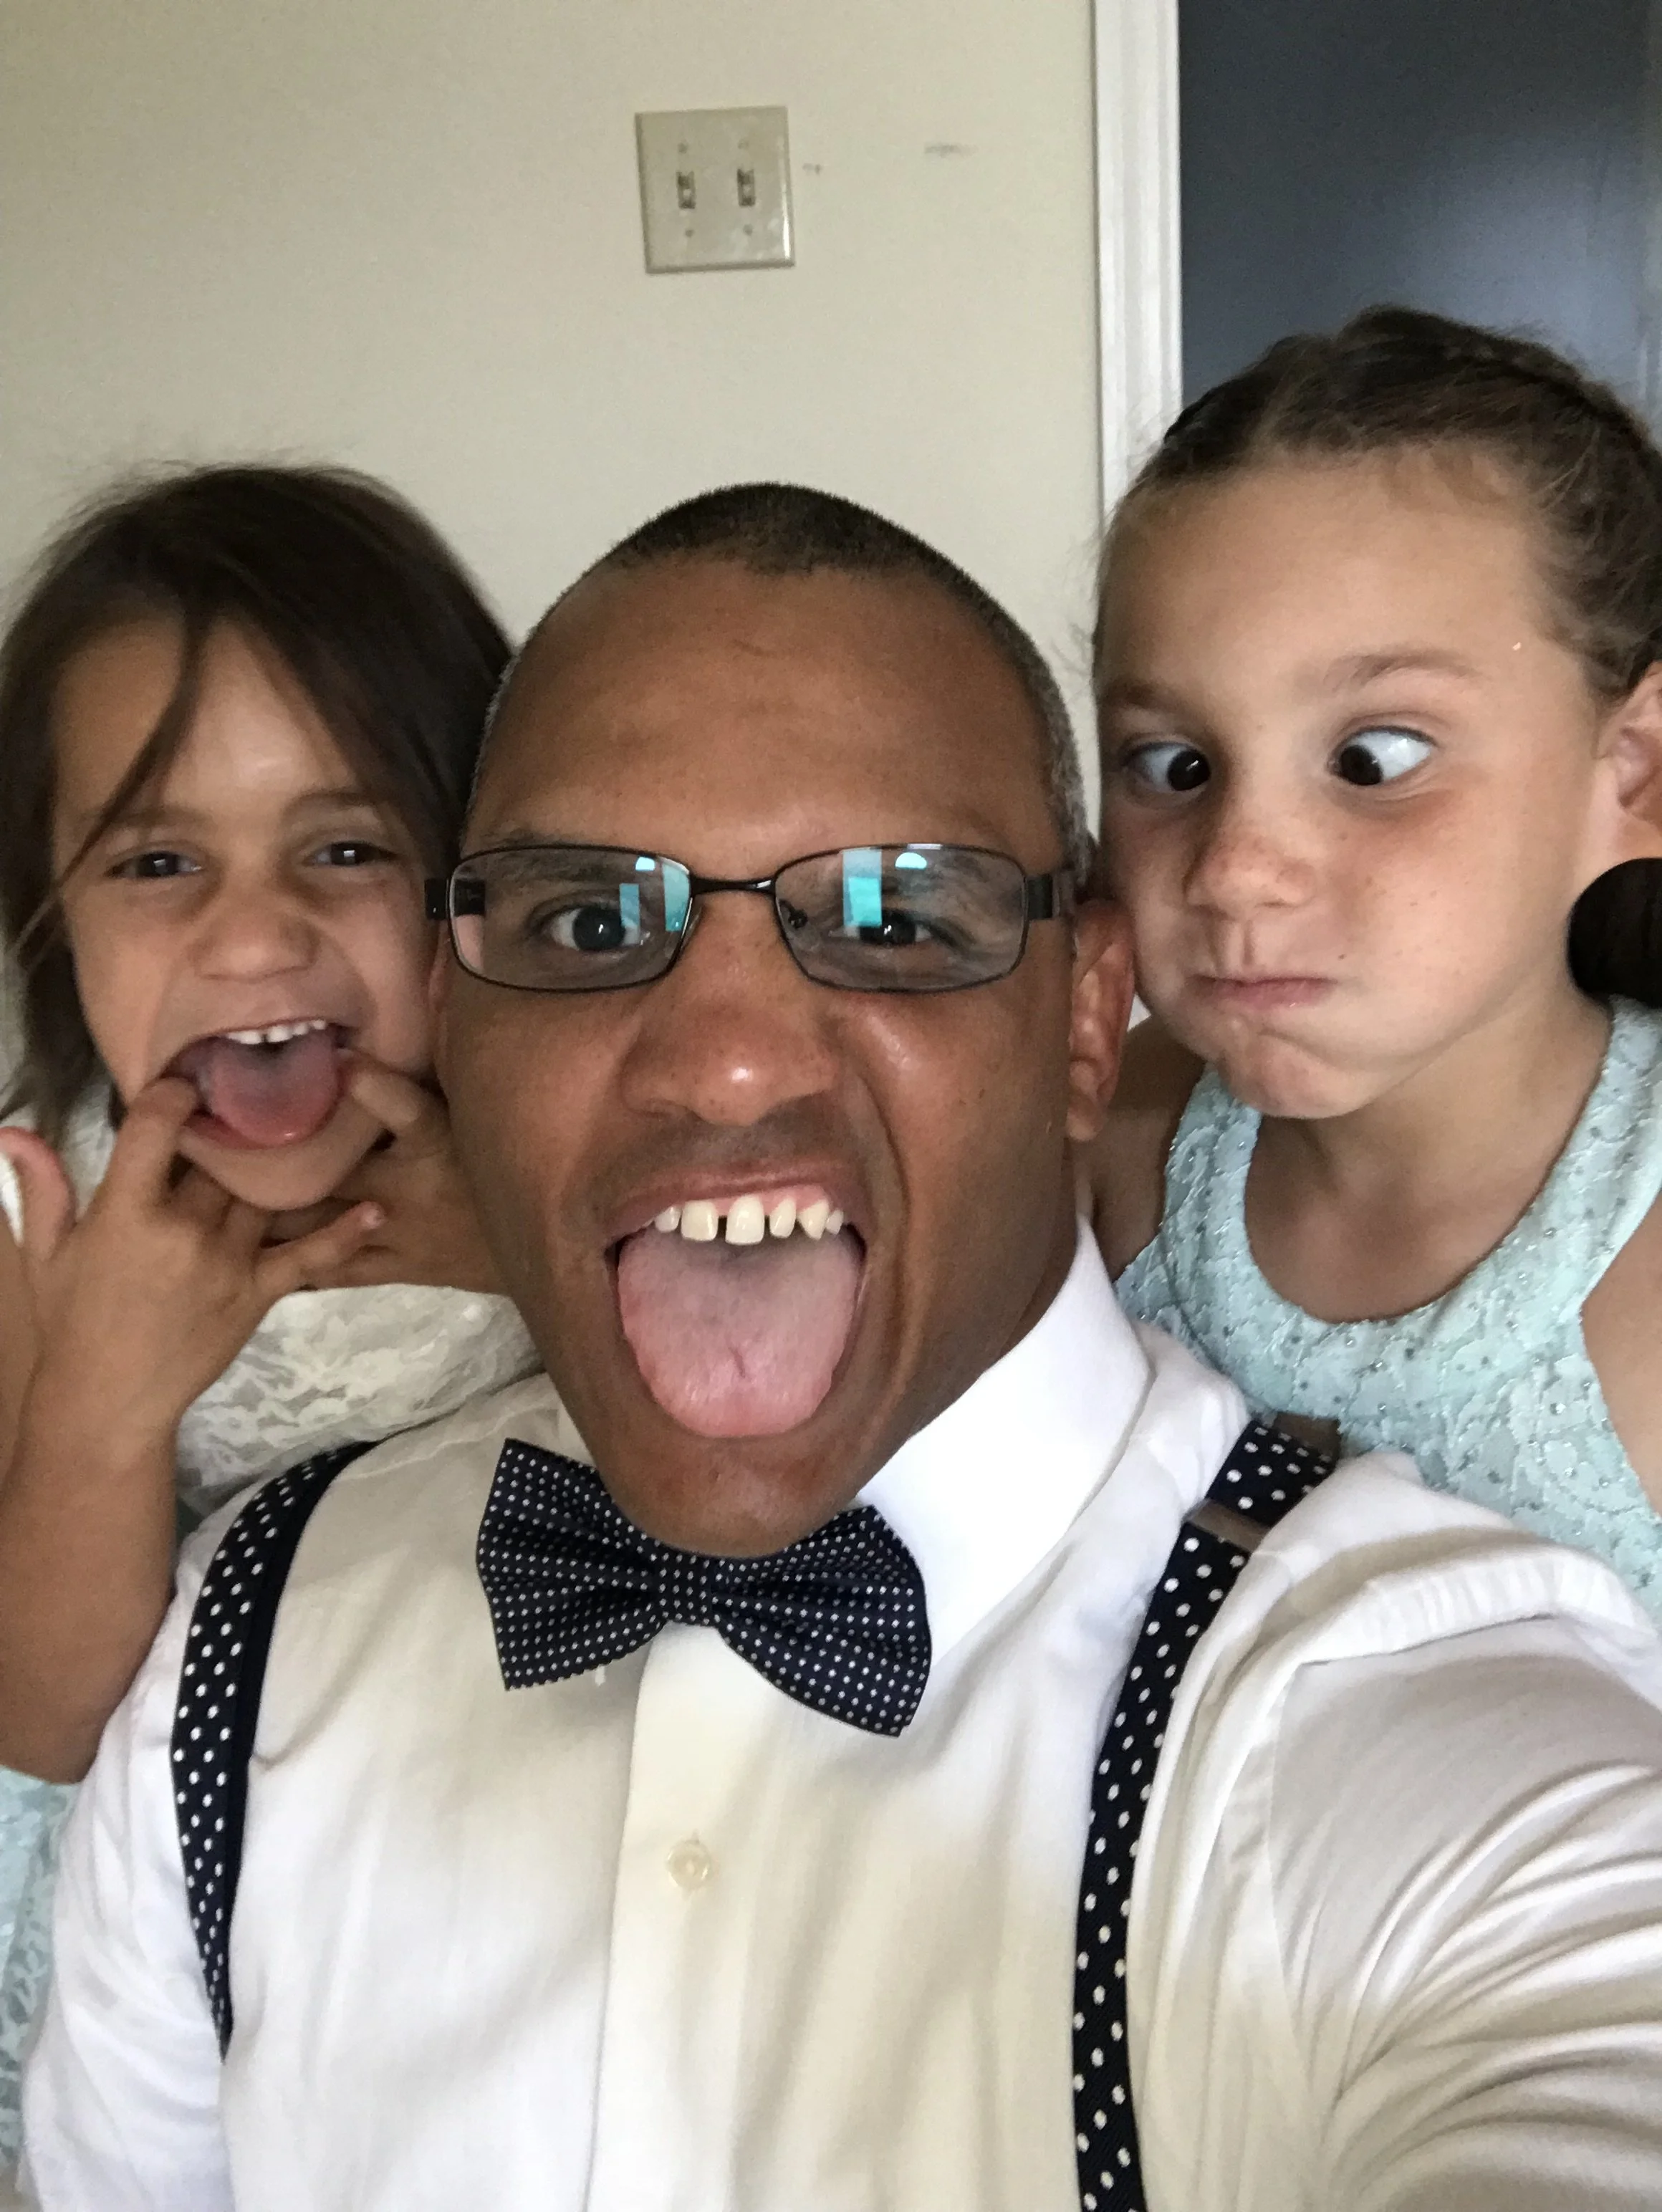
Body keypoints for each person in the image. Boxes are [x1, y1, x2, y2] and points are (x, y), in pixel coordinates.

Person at [21, 485, 1662, 2212]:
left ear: (1087, 1018)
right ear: (457, 1008)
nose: (724, 1062)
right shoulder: (239, 1643)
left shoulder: (1389, 1714)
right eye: (592, 922)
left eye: (894, 919)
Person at [0, 465, 538, 2168]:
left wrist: (518, 1254)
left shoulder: (550, 1173)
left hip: (476, 1864)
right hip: (150, 1920)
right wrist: (100, 1395)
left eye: (348, 845)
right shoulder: (37, 1224)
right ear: (53, 918)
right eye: (158, 858)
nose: (256, 931)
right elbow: (40, 1726)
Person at [1088, 307, 1662, 1611]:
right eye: (1174, 766)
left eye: (1374, 759)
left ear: (1627, 774)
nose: (1234, 865)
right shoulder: (1115, 1143)